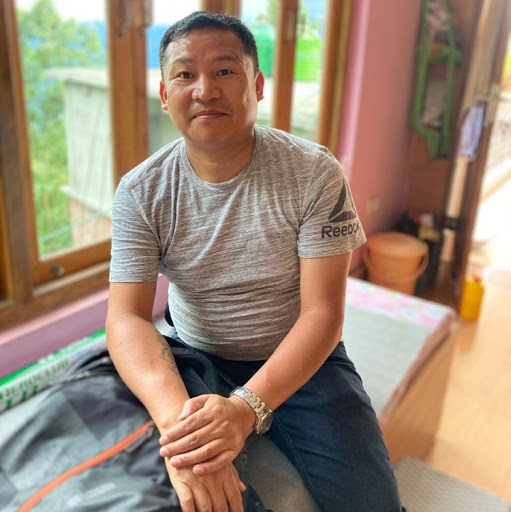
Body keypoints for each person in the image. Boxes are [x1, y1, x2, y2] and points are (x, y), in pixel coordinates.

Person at [106, 10, 404, 512]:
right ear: (164, 94)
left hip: (299, 352)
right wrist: (181, 429)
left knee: (372, 502)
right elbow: (127, 318)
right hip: (194, 352)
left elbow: (323, 314)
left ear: (257, 85)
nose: (205, 90)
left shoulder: (314, 173)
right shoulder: (140, 191)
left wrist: (246, 408)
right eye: (185, 74)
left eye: (225, 70)